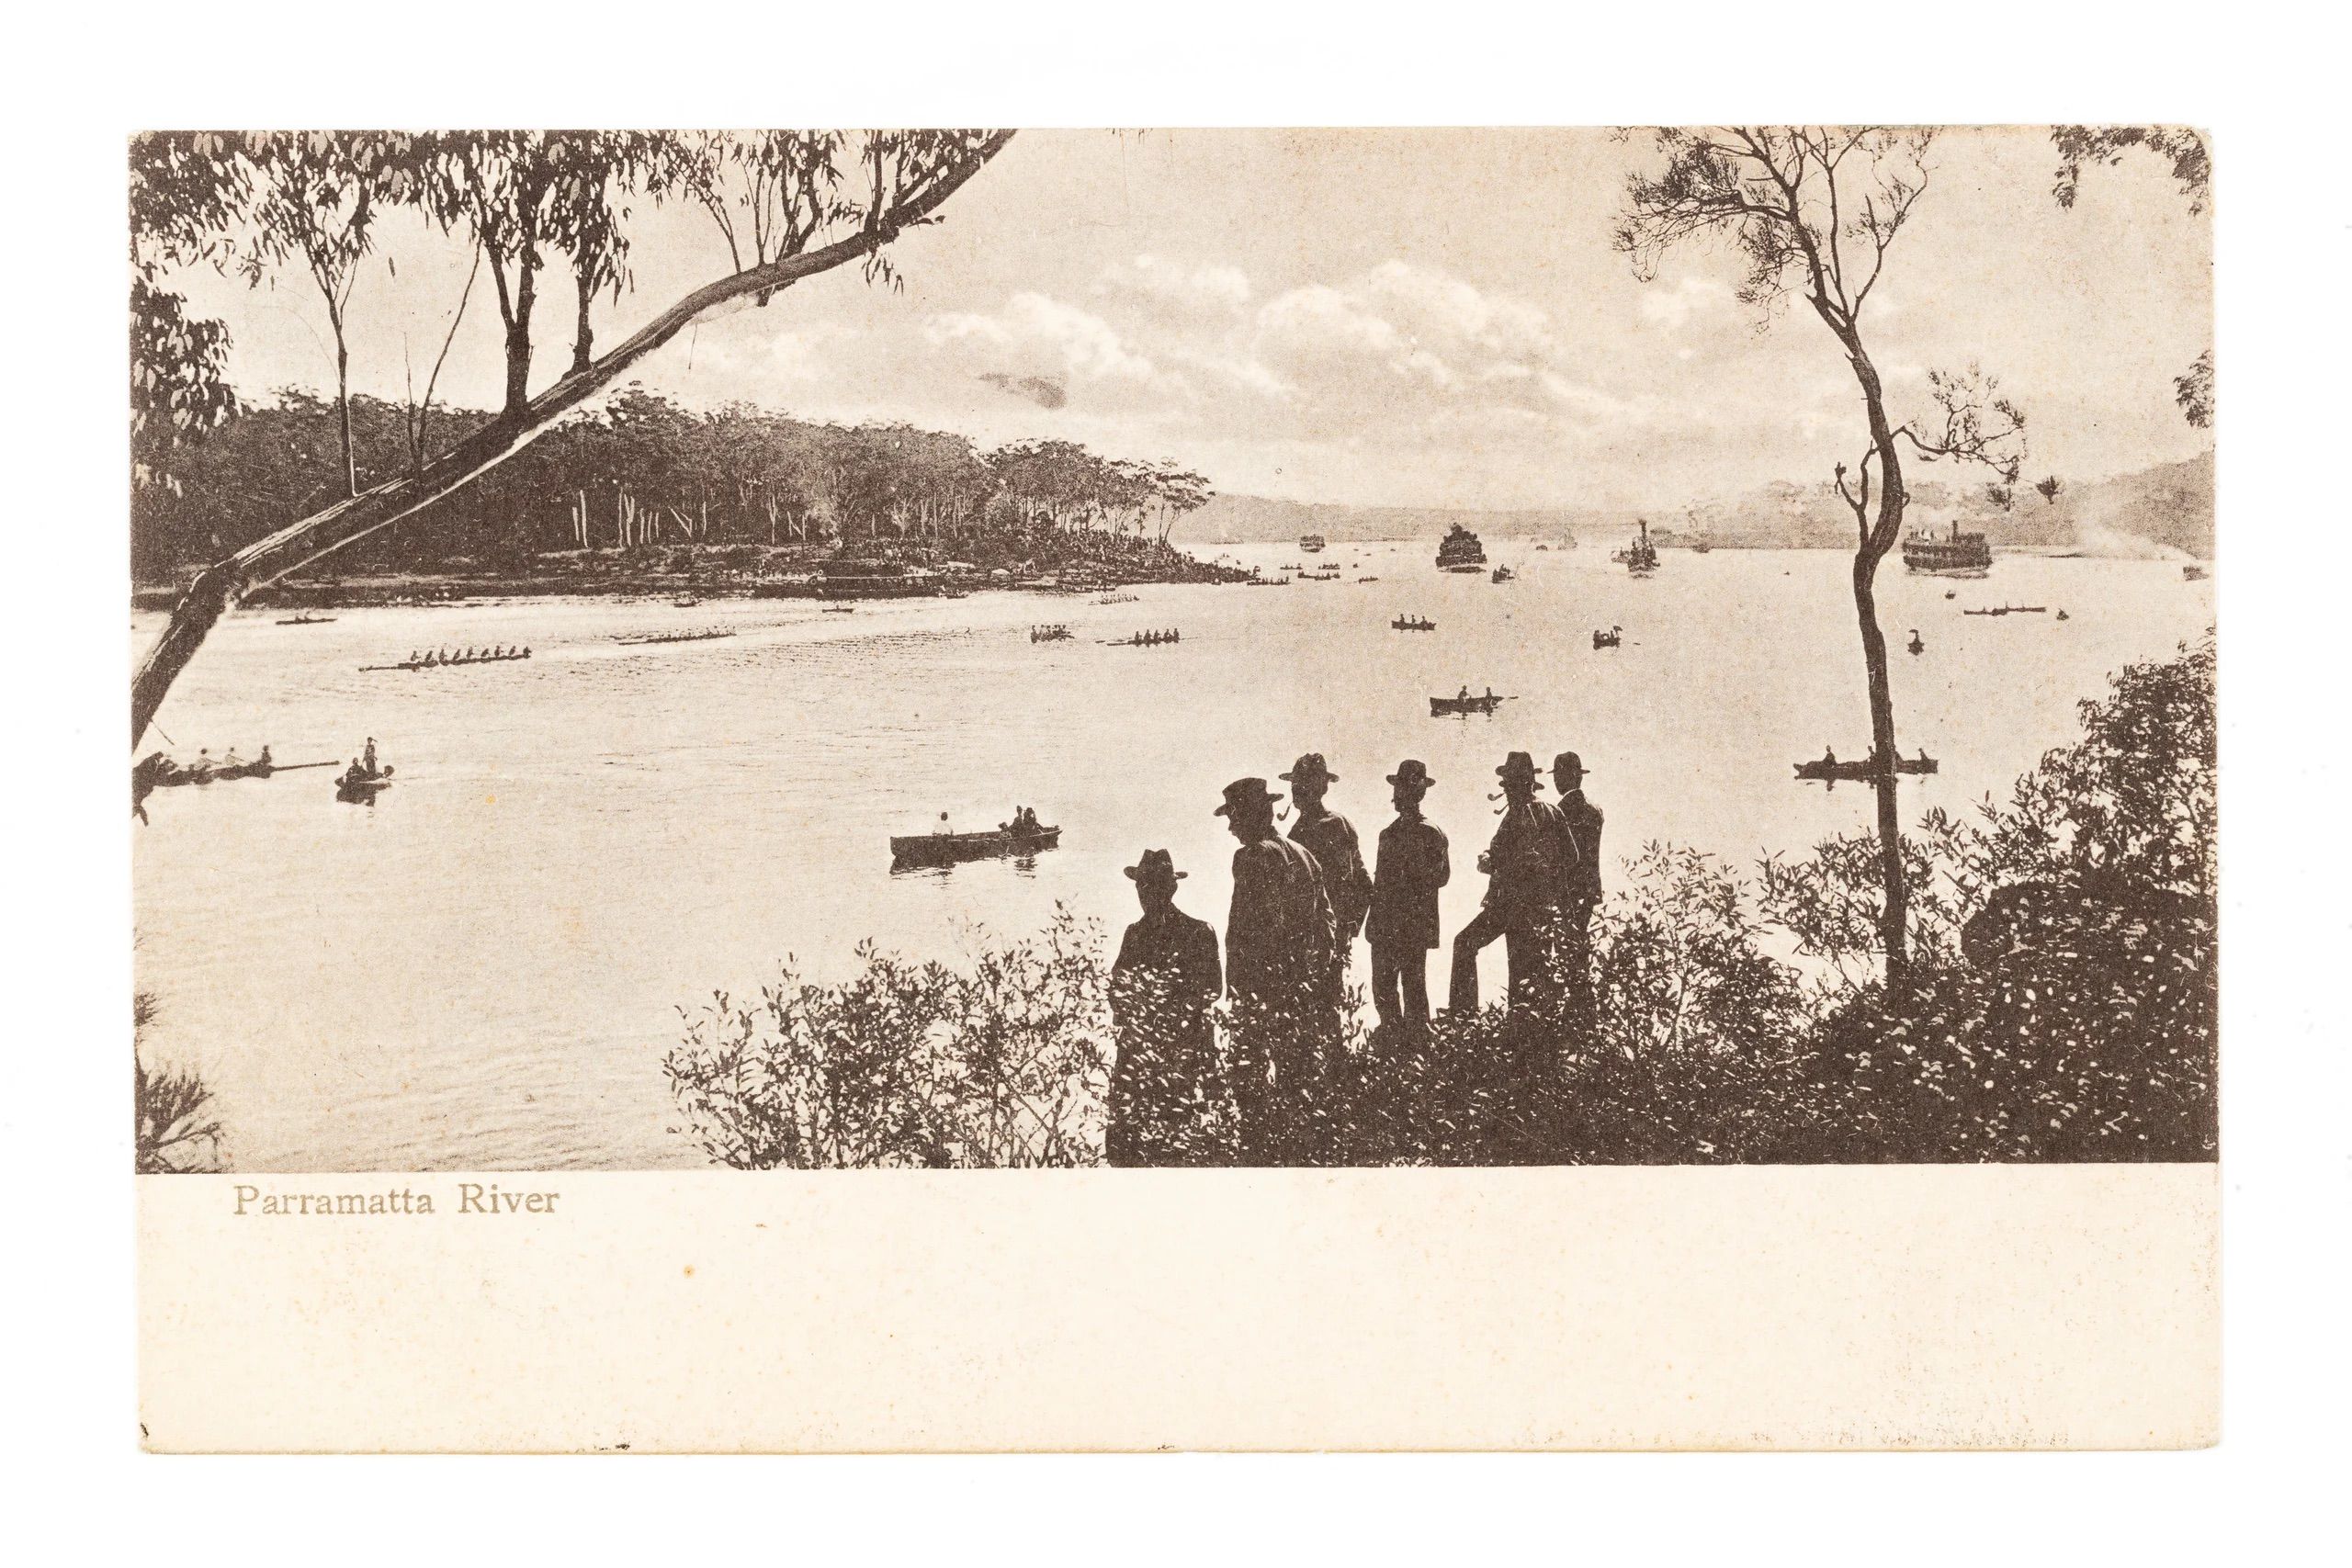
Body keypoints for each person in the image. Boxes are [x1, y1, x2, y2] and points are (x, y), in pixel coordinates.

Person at [1217, 776, 1336, 1164]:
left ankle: (1258, 1154)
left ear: (1250, 816)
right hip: (1302, 982)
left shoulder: (1251, 856)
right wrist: (1316, 973)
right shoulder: (1303, 853)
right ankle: (1301, 1149)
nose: (1231, 826)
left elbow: (1247, 929)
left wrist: (1238, 988)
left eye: (1233, 816)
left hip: (1262, 985)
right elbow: (1327, 924)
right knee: (1297, 1074)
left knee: (1249, 1076)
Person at [1106, 850, 1223, 1168]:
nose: (1146, 894)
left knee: (1181, 1133)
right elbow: (1116, 988)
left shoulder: (1199, 932)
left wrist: (1163, 1015)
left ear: (1170, 889)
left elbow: (1211, 991)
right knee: (1126, 1142)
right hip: (1143, 1052)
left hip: (1183, 1051)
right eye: (1142, 887)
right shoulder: (1135, 934)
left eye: (1153, 886)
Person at [1447, 751, 1571, 1017]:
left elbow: (1512, 862)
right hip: (1541, 907)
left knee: (1467, 945)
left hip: (1512, 906)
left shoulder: (1521, 814)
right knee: (1529, 973)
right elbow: (1572, 857)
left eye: (1510, 784)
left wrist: (1488, 862)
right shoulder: (1553, 811)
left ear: (1521, 785)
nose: (1508, 790)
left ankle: (1464, 1017)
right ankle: (1527, 1029)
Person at [1282, 753, 1372, 1004]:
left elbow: (1362, 881)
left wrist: (1349, 928)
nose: (1297, 790)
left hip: (1329, 931)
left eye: (1304, 783)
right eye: (1295, 784)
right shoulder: (1294, 834)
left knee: (1325, 1000)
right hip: (1307, 934)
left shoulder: (1337, 824)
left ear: (1321, 787)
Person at [1368, 760, 1450, 1032]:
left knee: (1409, 992)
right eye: (1399, 788)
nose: (1399, 795)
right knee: (1387, 990)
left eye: (1405, 789)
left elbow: (1439, 878)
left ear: (1418, 794)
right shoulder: (1389, 834)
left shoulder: (1428, 833)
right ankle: (1397, 1048)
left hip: (1407, 928)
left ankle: (1413, 1050)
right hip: (1389, 927)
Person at [1552, 750, 1605, 1038]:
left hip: (1569, 892)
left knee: (1568, 948)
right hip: (1589, 889)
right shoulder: (1594, 809)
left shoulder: (1562, 810)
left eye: (1560, 775)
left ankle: (1578, 1012)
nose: (1558, 780)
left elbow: (1562, 856)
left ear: (1571, 776)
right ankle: (1584, 1011)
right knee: (1578, 946)